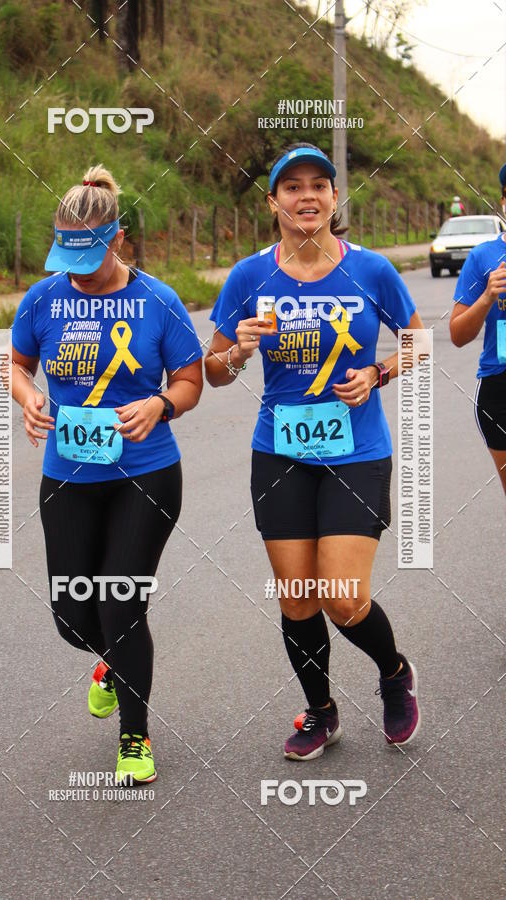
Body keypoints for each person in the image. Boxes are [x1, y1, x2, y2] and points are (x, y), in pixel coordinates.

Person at [205, 142, 424, 760]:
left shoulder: (372, 269)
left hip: (357, 450)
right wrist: (237, 352)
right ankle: (320, 712)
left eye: (318, 185)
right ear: (273, 201)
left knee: (344, 594)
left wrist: (379, 373)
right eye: (293, 187)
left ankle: (393, 672)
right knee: (296, 595)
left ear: (334, 198)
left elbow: (418, 343)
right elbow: (212, 369)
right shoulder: (251, 276)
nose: (307, 196)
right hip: (280, 452)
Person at [10, 165, 203, 782]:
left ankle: (135, 739)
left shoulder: (158, 301)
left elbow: (191, 380)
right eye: (66, 253)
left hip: (145, 476)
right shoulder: (42, 299)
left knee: (121, 602)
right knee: (73, 616)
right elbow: (16, 364)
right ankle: (109, 666)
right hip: (67, 474)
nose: (77, 267)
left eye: (89, 253)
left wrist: (161, 404)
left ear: (119, 239)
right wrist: (28, 397)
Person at [449, 162, 506, 495]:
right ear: (503, 203)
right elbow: (457, 335)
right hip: (499, 389)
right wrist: (486, 297)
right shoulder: (483, 257)